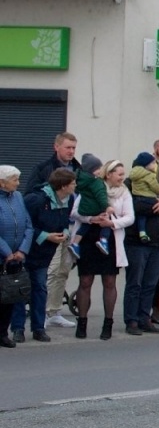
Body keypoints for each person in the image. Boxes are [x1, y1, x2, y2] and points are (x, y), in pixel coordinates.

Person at [73, 159, 133, 339]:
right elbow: (75, 212)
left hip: (111, 239)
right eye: (119, 174)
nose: (122, 178)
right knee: (85, 281)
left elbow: (130, 218)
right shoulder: (92, 186)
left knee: (109, 282)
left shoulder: (124, 193)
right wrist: (91, 218)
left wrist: (112, 223)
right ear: (109, 174)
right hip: (89, 238)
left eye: (123, 174)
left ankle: (108, 324)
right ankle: (81, 323)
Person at [26, 133, 81, 327]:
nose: (71, 151)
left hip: (66, 227)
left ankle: (55, 309)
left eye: (74, 148)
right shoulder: (43, 168)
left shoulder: (77, 168)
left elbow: (79, 196)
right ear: (56, 147)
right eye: (68, 147)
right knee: (47, 274)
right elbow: (31, 196)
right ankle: (44, 314)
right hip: (44, 232)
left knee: (63, 271)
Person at [20, 168, 75, 343]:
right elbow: (25, 225)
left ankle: (38, 328)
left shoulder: (69, 199)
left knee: (40, 289)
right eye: (73, 183)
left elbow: (65, 220)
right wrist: (46, 236)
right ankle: (17, 329)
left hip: (45, 253)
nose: (75, 186)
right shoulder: (36, 200)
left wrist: (65, 232)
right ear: (64, 186)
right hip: (27, 252)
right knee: (20, 291)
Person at [124, 154, 159, 336]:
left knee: (150, 284)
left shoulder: (154, 183)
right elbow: (132, 207)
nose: (155, 165)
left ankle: (144, 318)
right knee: (135, 283)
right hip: (137, 242)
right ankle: (131, 320)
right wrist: (157, 207)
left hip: (157, 241)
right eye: (153, 163)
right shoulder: (130, 183)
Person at [0, 165, 32, 347]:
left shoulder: (18, 197)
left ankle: (3, 333)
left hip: (16, 257)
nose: (18, 183)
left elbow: (28, 225)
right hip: (4, 255)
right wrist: (7, 253)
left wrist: (22, 251)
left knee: (9, 296)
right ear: (2, 182)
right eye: (14, 180)